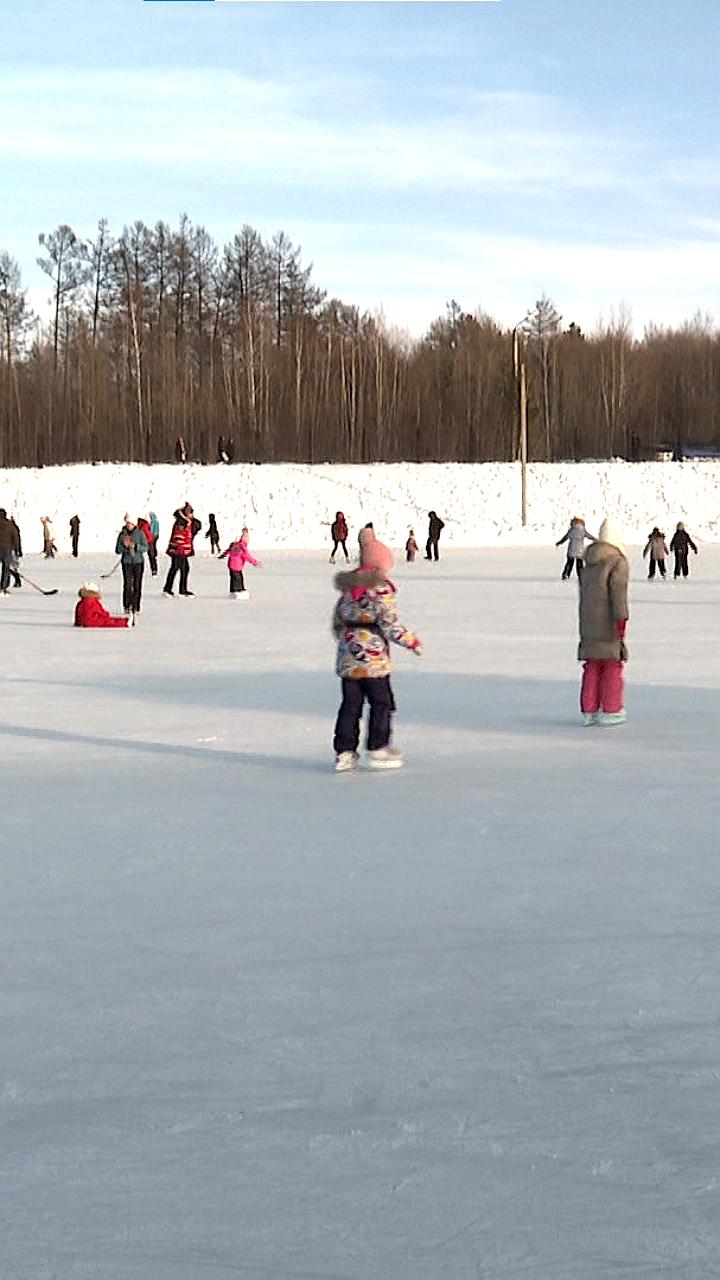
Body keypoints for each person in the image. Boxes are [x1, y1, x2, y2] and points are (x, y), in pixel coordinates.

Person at [332, 534, 422, 772]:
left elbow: (337, 620)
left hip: (348, 658)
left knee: (350, 705)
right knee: (382, 702)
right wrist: (411, 641)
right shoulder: (381, 589)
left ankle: (345, 751)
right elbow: (388, 622)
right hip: (373, 661)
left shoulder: (349, 588)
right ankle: (378, 746)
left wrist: (347, 641)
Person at [577, 518, 629, 726]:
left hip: (588, 624)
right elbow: (618, 593)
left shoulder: (589, 560)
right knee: (612, 666)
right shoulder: (617, 561)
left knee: (592, 666)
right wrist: (621, 619)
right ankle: (611, 709)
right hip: (607, 623)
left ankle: (589, 710)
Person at [115, 514, 148, 622]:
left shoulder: (140, 533)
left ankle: (136, 606)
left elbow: (146, 547)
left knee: (137, 585)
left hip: (138, 562)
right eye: (127, 523)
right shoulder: (122, 534)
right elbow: (118, 550)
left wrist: (136, 547)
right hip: (127, 562)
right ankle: (127, 605)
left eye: (131, 523)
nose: (129, 525)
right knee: (127, 584)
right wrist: (125, 547)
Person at [164, 503, 199, 597]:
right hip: (179, 550)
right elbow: (178, 537)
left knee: (176, 568)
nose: (192, 515)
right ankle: (181, 590)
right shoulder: (181, 522)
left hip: (180, 550)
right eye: (191, 513)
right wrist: (181, 549)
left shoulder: (186, 521)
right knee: (183, 568)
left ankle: (168, 588)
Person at [219, 531, 262, 597]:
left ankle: (234, 589)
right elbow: (248, 557)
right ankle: (238, 589)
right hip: (237, 566)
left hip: (231, 565)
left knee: (235, 578)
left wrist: (223, 555)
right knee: (238, 578)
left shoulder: (234, 545)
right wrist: (255, 563)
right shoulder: (242, 548)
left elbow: (228, 551)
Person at [0, 508, 21, 595]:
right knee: (6, 569)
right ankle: (3, 588)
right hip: (6, 549)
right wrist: (18, 550)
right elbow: (16, 538)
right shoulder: (10, 525)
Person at [8, 516, 22, 587]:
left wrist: (18, 549)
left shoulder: (12, 528)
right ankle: (17, 580)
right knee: (11, 566)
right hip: (10, 549)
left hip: (11, 549)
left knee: (11, 566)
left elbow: (16, 540)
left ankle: (17, 580)